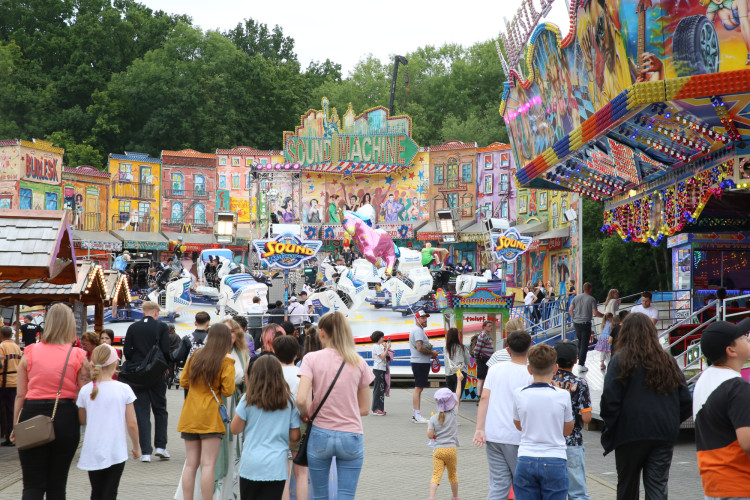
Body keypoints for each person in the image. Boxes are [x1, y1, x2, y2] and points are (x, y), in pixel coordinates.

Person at [600, 313, 692, 499]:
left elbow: (610, 401)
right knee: (657, 486)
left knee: (627, 486)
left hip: (629, 434)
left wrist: (614, 426)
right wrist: (672, 421)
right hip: (663, 433)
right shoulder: (668, 361)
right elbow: (685, 401)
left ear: (624, 333)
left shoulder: (620, 360)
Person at [11, 303, 91, 497]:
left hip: (31, 416)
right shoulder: (78, 355)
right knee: (57, 483)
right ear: (70, 325)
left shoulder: (29, 352)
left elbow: (21, 394)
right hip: (65, 417)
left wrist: (16, 426)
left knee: (31, 483)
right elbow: (87, 392)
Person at [297, 311, 374, 499]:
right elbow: (364, 409)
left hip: (320, 434)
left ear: (321, 332)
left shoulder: (311, 359)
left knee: (320, 495)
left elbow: (300, 400)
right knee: (346, 495)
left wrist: (306, 413)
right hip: (351, 434)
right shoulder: (359, 362)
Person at [692, 318, 750, 499]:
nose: (747, 337)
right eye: (742, 336)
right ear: (731, 350)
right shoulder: (737, 387)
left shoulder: (705, 379)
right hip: (739, 484)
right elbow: (747, 442)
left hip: (714, 483)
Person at [177, 323, 236, 500]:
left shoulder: (195, 355)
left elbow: (183, 381)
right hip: (211, 416)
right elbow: (228, 390)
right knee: (208, 464)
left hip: (190, 413)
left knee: (190, 464)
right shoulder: (226, 361)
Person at [473, 330, 532, 500]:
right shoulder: (530, 373)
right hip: (518, 436)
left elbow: (484, 397)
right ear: (530, 347)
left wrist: (479, 429)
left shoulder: (495, 369)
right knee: (522, 484)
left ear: (507, 348)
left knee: (498, 485)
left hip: (493, 435)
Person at [232, 354, 301, 500]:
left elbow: (235, 429)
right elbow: (295, 436)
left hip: (250, 464)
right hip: (276, 466)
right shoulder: (289, 401)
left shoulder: (247, 399)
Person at [77, 344, 140, 499]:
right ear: (115, 364)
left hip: (93, 448)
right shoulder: (124, 389)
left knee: (96, 491)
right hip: (115, 449)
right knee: (110, 492)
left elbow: (82, 420)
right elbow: (132, 423)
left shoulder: (86, 390)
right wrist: (136, 446)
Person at [512, 344, 574, 499]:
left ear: (529, 369)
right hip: (555, 458)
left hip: (526, 457)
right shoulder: (563, 395)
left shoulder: (519, 394)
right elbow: (567, 430)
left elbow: (519, 425)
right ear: (555, 369)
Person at [122, 300, 172, 463]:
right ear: (156, 313)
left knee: (141, 411)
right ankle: (161, 447)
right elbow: (165, 350)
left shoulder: (133, 328)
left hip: (137, 375)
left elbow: (127, 351)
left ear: (143, 312)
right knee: (160, 409)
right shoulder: (161, 327)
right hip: (156, 373)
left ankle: (145, 452)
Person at [552, 341, 592, 500]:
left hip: (549, 442)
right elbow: (587, 418)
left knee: (553, 491)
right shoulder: (580, 383)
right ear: (576, 360)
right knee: (577, 492)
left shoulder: (547, 381)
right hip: (572, 442)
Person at [274, 334, 308, 500]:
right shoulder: (302, 375)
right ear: (297, 354)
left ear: (275, 352)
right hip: (299, 424)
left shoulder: (272, 374)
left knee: (282, 472)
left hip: (276, 425)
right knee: (301, 472)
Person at [427, 376, 464, 500]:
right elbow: (457, 395)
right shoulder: (454, 413)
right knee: (453, 474)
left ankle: (431, 497)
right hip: (451, 449)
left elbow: (430, 435)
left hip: (438, 450)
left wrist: (428, 426)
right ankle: (455, 497)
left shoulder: (433, 418)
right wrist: (459, 380)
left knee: (436, 475)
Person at [409, 310, 437, 424]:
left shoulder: (418, 331)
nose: (425, 320)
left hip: (420, 362)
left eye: (426, 318)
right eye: (422, 318)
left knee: (419, 388)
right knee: (418, 388)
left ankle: (416, 414)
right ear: (417, 319)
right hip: (419, 362)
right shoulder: (418, 331)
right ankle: (417, 415)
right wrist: (432, 353)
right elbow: (419, 348)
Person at [568, 282, 603, 372]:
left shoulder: (576, 297)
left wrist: (574, 318)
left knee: (580, 342)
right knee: (584, 344)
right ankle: (581, 364)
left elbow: (570, 309)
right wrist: (604, 316)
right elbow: (595, 313)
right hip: (585, 324)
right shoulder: (591, 299)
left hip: (577, 323)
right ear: (590, 289)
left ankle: (580, 360)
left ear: (583, 289)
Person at [0, 326, 22, 446]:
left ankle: (8, 436)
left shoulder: (2, 347)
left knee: (6, 411)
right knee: (11, 411)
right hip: (15, 381)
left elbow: (0, 365)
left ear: (1, 335)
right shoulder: (17, 347)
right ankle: (11, 436)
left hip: (4, 381)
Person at [444, 327, 469, 396]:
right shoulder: (462, 347)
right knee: (457, 396)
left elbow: (446, 362)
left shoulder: (445, 348)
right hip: (460, 373)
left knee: (450, 396)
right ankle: (456, 407)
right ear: (457, 336)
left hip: (449, 373)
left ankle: (451, 407)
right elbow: (467, 360)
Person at [370, 331, 390, 416]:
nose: (383, 339)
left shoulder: (379, 346)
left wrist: (386, 347)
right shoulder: (376, 346)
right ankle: (375, 408)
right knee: (378, 389)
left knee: (381, 389)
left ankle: (379, 408)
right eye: (382, 337)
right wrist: (387, 348)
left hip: (381, 369)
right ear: (378, 338)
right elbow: (382, 357)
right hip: (378, 369)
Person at [474, 321, 495, 398]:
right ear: (484, 327)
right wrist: (476, 358)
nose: (491, 327)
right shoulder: (482, 335)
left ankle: (483, 395)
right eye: (489, 326)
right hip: (483, 359)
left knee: (484, 378)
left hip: (487, 359)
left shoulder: (487, 335)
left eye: (491, 325)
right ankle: (479, 397)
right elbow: (477, 348)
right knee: (481, 379)